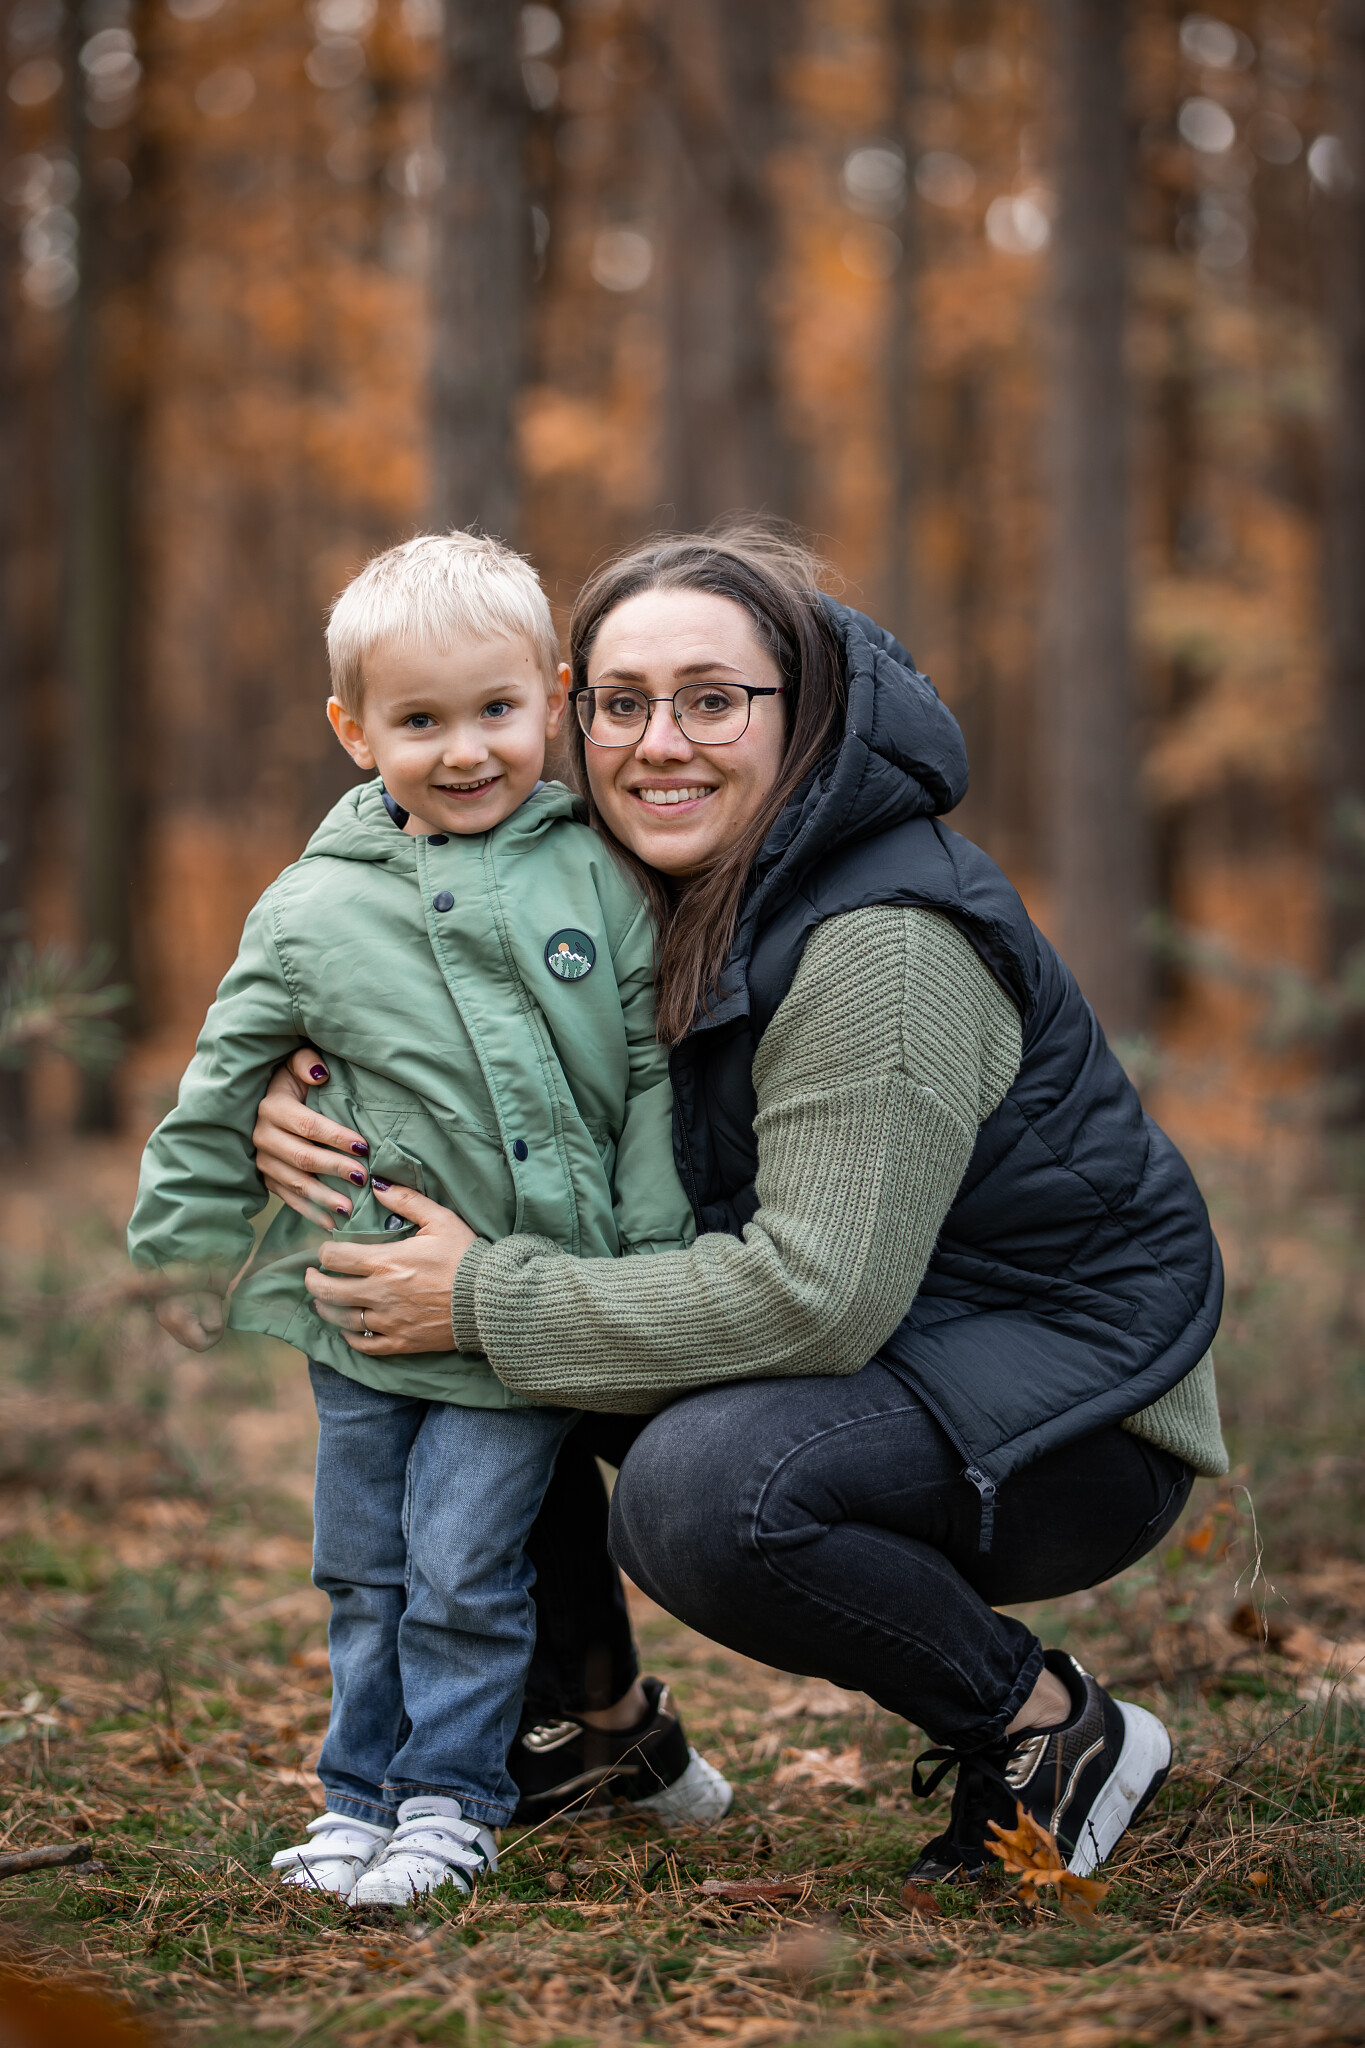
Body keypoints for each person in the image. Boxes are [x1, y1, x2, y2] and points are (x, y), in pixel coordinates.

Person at [251, 525, 1228, 1885]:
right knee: (495, 1329)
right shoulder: (618, 885)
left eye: (713, 700)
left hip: (1069, 1404)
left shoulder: (881, 942)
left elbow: (817, 1297)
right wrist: (285, 1086)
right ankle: (595, 1733)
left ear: (806, 712)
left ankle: (1043, 1725)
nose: (662, 743)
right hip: (895, 1342)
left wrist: (482, 1294)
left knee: (705, 1491)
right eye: (623, 702)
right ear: (569, 713)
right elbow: (408, 987)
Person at [126, 531, 731, 1909]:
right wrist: (188, 1242)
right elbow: (226, 1076)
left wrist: (640, 1249)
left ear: (553, 696)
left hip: (520, 1307)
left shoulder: (599, 874)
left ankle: (451, 1803)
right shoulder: (310, 908)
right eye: (418, 721)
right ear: (354, 732)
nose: (465, 751)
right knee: (364, 1566)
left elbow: (646, 1071)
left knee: (465, 1565)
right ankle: (355, 1798)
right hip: (359, 1311)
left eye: (496, 712)